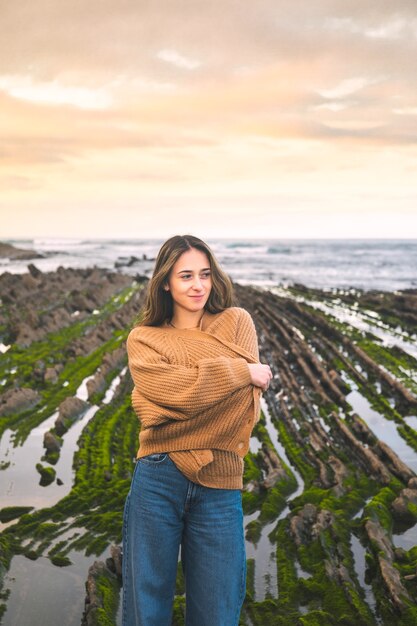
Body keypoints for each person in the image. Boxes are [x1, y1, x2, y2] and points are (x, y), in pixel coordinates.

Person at [122, 234, 272, 626]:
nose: (198, 285)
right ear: (165, 282)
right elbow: (177, 397)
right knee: (145, 608)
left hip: (220, 482)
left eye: (205, 274)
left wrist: (171, 405)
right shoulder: (143, 338)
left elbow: (242, 410)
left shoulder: (236, 322)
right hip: (158, 476)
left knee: (218, 611)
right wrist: (240, 371)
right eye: (185, 275)